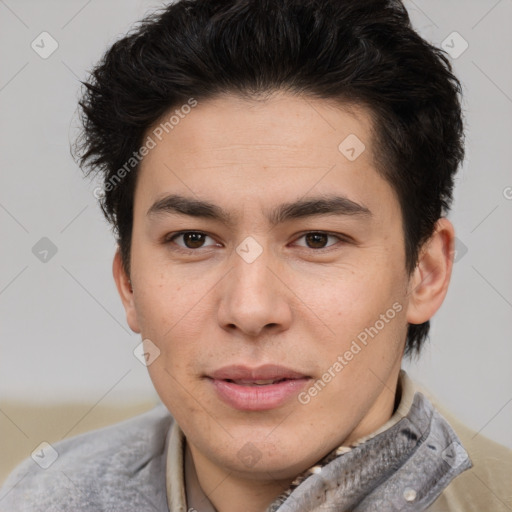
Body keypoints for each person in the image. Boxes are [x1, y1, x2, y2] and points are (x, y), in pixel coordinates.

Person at [1, 0, 511, 510]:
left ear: (425, 273)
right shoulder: (41, 495)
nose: (249, 309)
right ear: (128, 284)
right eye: (193, 239)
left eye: (316, 239)